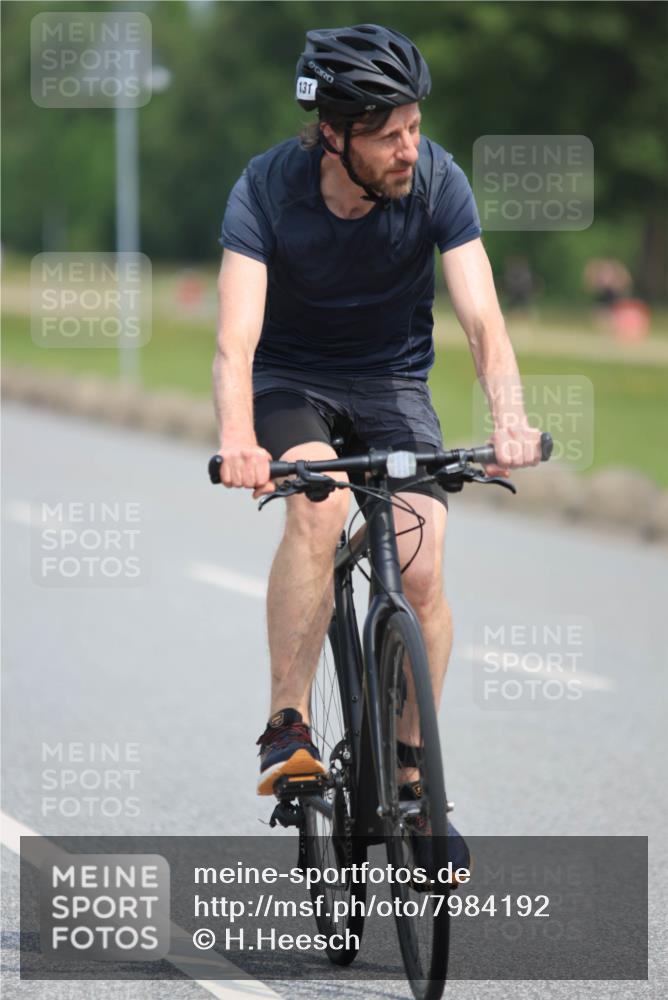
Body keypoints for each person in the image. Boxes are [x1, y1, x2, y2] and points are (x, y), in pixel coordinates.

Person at [212, 24, 541, 862]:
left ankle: (409, 777)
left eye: (414, 127)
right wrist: (239, 439)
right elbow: (235, 340)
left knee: (422, 560)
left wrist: (507, 418)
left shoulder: (437, 182)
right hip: (290, 382)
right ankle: (288, 725)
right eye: (388, 134)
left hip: (393, 384)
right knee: (317, 508)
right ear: (334, 134)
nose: (409, 147)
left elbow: (482, 319)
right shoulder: (266, 190)